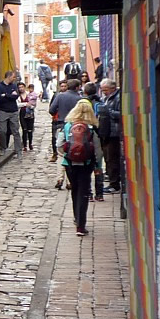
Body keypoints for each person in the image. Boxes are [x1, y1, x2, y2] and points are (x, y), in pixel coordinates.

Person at [59, 100, 104, 236]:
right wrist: (98, 167)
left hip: (70, 164)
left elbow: (59, 144)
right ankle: (81, 225)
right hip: (86, 164)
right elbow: (98, 150)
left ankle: (76, 217)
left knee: (75, 189)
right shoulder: (91, 128)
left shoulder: (67, 126)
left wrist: (68, 154)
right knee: (84, 192)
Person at [48, 79, 82, 166]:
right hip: (75, 126)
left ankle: (61, 174)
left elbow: (51, 110)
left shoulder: (60, 96)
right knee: (74, 148)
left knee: (61, 150)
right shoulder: (80, 99)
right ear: (77, 87)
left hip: (62, 125)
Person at [99, 78, 123, 193]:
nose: (104, 92)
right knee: (109, 158)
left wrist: (109, 112)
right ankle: (112, 182)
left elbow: (122, 114)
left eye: (105, 90)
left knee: (113, 159)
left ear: (112, 88)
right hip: (108, 132)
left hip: (115, 133)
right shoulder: (108, 98)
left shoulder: (118, 98)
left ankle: (115, 185)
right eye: (103, 90)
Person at [83, 82, 105, 202]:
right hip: (98, 137)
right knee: (98, 166)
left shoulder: (83, 104)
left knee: (87, 166)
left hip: (87, 137)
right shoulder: (100, 103)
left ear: (85, 92)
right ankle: (100, 193)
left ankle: (89, 193)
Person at [0, 70, 21, 152]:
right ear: (9, 77)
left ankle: (18, 149)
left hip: (13, 111)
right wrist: (10, 95)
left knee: (15, 131)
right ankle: (3, 148)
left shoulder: (14, 86)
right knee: (2, 131)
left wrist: (5, 95)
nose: (14, 78)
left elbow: (16, 96)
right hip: (3, 111)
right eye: (13, 77)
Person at [19, 82, 38, 151]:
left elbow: (34, 104)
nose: (21, 89)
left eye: (22, 87)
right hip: (22, 113)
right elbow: (17, 104)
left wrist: (31, 106)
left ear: (25, 87)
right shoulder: (18, 96)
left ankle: (30, 143)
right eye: (19, 87)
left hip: (30, 113)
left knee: (30, 130)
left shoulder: (30, 94)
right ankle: (25, 145)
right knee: (24, 129)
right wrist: (25, 104)